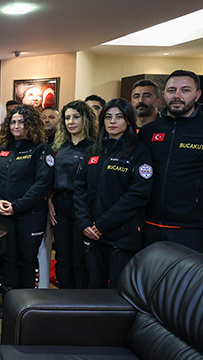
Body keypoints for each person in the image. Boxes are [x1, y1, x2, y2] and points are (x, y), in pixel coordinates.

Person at [74, 98, 153, 288]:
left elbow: (138, 194)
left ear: (128, 120)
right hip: (92, 233)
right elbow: (80, 187)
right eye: (108, 117)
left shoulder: (139, 152)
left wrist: (102, 224)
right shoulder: (93, 150)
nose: (112, 121)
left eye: (119, 117)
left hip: (121, 235)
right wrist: (85, 222)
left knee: (118, 290)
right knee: (95, 287)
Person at [0, 104, 54, 316]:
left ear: (30, 124)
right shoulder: (0, 150)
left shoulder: (41, 149)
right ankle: (9, 303)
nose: (16, 126)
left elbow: (43, 183)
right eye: (13, 122)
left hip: (29, 215)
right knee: (8, 259)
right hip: (3, 214)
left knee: (26, 260)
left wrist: (17, 206)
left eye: (21, 122)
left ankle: (27, 307)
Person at [138, 70, 203, 252]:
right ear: (164, 94)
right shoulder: (148, 132)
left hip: (191, 229)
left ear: (197, 95)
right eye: (172, 90)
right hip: (147, 225)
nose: (177, 96)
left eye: (185, 90)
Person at [48, 100, 97, 289]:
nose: (71, 122)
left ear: (86, 119)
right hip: (60, 204)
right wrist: (49, 200)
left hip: (82, 206)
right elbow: (53, 177)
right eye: (67, 118)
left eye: (76, 117)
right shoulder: (60, 146)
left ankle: (80, 299)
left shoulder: (94, 147)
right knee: (62, 255)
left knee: (80, 258)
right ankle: (64, 297)